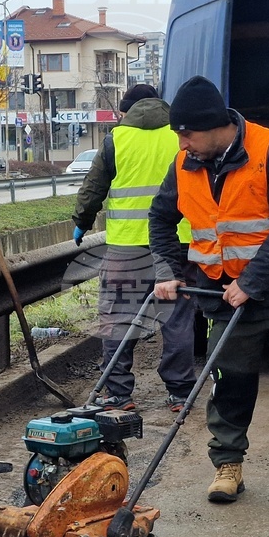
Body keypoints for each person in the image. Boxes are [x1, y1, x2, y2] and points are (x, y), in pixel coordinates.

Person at [148, 75, 269, 506]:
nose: (182, 145)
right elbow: (160, 219)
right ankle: (227, 465)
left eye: (188, 134)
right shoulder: (184, 165)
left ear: (217, 126)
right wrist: (167, 269)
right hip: (220, 295)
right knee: (229, 383)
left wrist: (250, 283)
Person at [72, 84, 197, 412]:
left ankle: (117, 392)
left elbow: (93, 187)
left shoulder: (118, 138)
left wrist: (82, 222)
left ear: (127, 111)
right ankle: (181, 392)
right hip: (177, 243)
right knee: (178, 319)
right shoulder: (181, 135)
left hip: (128, 246)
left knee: (119, 317)